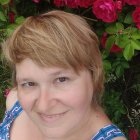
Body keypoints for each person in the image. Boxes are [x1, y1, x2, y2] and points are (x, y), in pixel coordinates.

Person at [0, 10, 126, 140]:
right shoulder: (16, 101)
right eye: (29, 83)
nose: (43, 105)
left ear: (94, 75)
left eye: (61, 80)